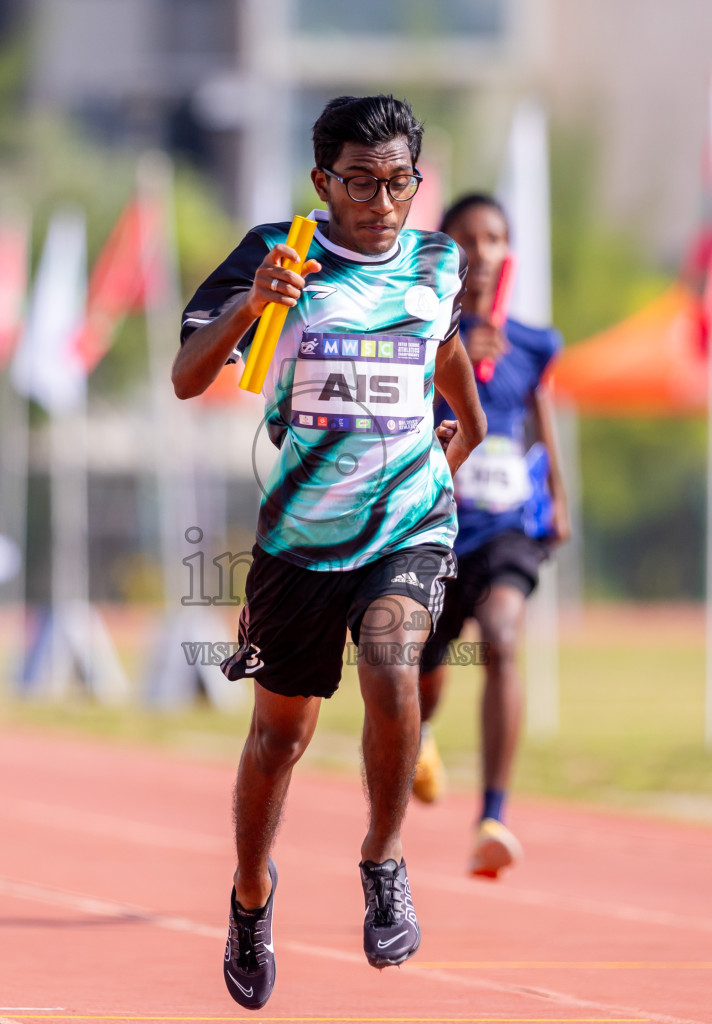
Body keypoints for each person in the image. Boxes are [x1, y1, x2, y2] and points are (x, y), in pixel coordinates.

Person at [172, 94, 487, 1010]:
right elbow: (188, 380)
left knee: (393, 663)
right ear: (324, 181)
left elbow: (445, 346)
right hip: (304, 540)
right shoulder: (281, 252)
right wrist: (250, 307)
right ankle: (250, 892)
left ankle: (383, 860)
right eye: (360, 182)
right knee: (281, 736)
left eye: (398, 183)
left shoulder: (437, 262)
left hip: (410, 525)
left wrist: (458, 437)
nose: (381, 202)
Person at [412, 193, 571, 880]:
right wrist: (449, 353)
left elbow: (539, 416)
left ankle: (493, 817)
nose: (481, 252)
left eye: (496, 238)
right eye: (467, 238)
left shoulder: (533, 343)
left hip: (508, 525)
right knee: (421, 669)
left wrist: (560, 496)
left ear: (511, 253)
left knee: (504, 636)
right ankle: (415, 736)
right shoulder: (414, 337)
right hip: (436, 525)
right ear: (443, 252)